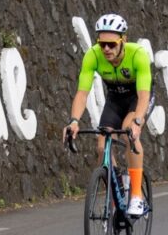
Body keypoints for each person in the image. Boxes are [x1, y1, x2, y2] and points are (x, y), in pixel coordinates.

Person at [63, 13, 153, 217]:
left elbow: (144, 94)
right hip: (114, 99)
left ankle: (137, 196)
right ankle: (118, 187)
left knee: (129, 133)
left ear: (123, 41)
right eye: (102, 44)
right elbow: (82, 93)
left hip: (137, 99)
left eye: (111, 44)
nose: (106, 49)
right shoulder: (93, 55)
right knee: (102, 145)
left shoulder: (138, 54)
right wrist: (74, 121)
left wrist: (138, 122)